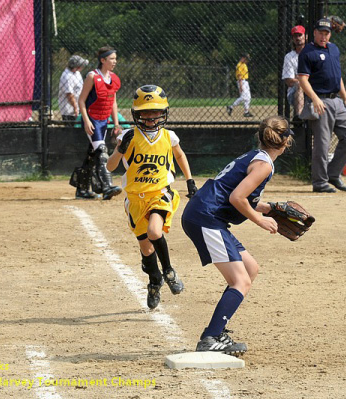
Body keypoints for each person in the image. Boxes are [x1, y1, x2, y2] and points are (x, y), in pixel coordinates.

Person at [181, 115, 294, 355]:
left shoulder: (255, 156)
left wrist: (271, 207)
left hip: (207, 215)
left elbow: (240, 194)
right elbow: (237, 198)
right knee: (240, 281)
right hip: (206, 217)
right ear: (286, 142)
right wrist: (260, 220)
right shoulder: (264, 165)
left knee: (250, 269)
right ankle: (210, 338)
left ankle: (217, 331)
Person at [107, 85, 198, 310]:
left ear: (164, 112)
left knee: (154, 232)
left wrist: (189, 180)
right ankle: (154, 280)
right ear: (136, 113)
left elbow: (179, 154)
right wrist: (119, 151)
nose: (150, 117)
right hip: (135, 200)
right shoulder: (129, 135)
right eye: (145, 112)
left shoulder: (169, 136)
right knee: (146, 249)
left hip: (160, 193)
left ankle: (168, 271)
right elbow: (110, 167)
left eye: (155, 111)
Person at [297, 18, 346, 193]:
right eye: (321, 33)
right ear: (314, 32)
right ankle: (320, 182)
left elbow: (337, 76)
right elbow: (302, 79)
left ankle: (332, 173)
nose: (323, 36)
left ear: (330, 34)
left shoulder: (333, 49)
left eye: (327, 33)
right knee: (322, 144)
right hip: (320, 101)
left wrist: (345, 99)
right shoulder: (308, 52)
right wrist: (315, 99)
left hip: (337, 101)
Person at [74, 46, 123, 200]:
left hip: (104, 121)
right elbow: (81, 100)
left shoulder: (113, 78)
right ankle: (106, 187)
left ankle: (81, 189)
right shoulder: (92, 76)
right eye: (112, 59)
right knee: (102, 152)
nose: (114, 61)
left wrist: (116, 124)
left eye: (115, 58)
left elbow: (113, 102)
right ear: (103, 60)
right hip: (92, 120)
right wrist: (86, 121)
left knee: (92, 155)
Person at [282, 25, 307, 117]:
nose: (298, 38)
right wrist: (304, 81)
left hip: (312, 88)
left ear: (306, 36)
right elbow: (289, 81)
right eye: (295, 36)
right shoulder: (289, 57)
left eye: (300, 35)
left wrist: (299, 78)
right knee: (300, 85)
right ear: (292, 39)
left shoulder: (311, 54)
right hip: (294, 91)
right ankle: (299, 118)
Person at [58, 55, 89, 121]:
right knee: (71, 128)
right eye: (81, 65)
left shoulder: (77, 73)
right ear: (77, 67)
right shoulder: (67, 76)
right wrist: (75, 108)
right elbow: (69, 94)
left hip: (79, 106)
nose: (83, 67)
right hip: (69, 110)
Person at [227, 54, 254, 118]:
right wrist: (241, 85)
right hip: (242, 81)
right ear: (243, 58)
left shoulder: (244, 64)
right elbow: (239, 76)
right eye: (246, 59)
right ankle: (231, 106)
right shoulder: (239, 65)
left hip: (246, 82)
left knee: (248, 97)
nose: (247, 61)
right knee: (243, 97)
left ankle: (246, 112)